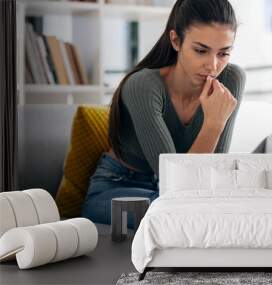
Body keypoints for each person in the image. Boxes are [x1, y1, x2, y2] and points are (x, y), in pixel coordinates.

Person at [81, 0, 246, 226]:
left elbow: (211, 175)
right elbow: (176, 185)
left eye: (224, 53)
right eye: (201, 51)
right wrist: (214, 124)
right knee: (182, 214)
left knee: (199, 211)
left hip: (179, 196)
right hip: (120, 187)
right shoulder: (144, 85)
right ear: (176, 41)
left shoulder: (231, 79)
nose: (213, 66)